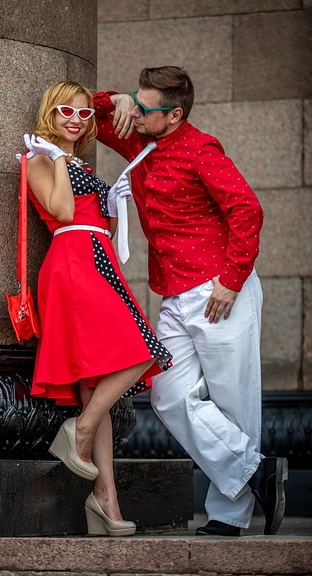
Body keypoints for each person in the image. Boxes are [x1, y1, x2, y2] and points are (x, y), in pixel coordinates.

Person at [92, 66, 288, 537]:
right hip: (174, 294)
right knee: (167, 393)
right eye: (136, 102)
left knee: (232, 400)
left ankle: (229, 516)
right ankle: (255, 470)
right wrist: (117, 99)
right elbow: (86, 114)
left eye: (145, 108)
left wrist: (232, 280)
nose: (136, 115)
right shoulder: (141, 141)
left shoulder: (201, 150)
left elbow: (247, 210)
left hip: (219, 290)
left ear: (174, 115)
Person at [22, 80, 172, 536]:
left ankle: (105, 499)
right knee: (145, 348)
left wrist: (110, 200)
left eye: (84, 113)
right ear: (51, 112)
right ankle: (81, 430)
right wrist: (59, 158)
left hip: (98, 258)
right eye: (67, 111)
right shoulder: (38, 159)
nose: (76, 119)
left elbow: (98, 220)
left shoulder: (75, 161)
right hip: (72, 261)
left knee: (96, 383)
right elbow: (63, 212)